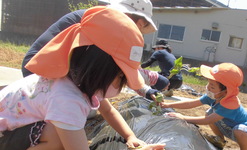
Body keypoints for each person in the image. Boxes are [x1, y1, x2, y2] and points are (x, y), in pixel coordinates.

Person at [0, 6, 165, 150]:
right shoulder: (67, 98)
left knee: (67, 130)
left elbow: (108, 110)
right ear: (99, 68)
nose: (121, 85)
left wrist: (130, 136)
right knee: (59, 136)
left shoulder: (77, 78)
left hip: (13, 129)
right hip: (3, 139)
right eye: (120, 77)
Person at [21, 0, 160, 100]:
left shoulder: (108, 25)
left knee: (91, 99)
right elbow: (117, 67)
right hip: (41, 69)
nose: (138, 32)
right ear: (132, 19)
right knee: (79, 106)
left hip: (60, 72)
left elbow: (124, 65)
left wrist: (144, 89)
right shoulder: (98, 23)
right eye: (140, 27)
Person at [161, 63, 247, 150]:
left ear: (225, 91)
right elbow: (191, 103)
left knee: (240, 129)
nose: (208, 88)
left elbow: (208, 120)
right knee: (209, 112)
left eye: (212, 86)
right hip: (226, 126)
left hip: (244, 134)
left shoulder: (230, 104)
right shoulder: (214, 95)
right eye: (208, 84)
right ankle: (219, 140)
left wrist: (183, 117)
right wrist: (168, 104)